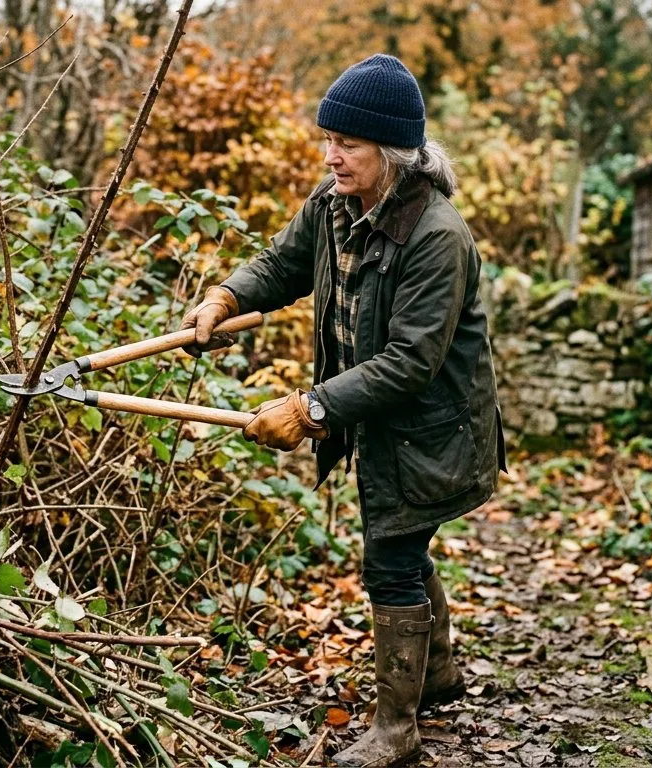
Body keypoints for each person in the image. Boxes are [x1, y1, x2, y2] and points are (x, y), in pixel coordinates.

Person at [178, 53, 507, 768]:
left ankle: (397, 730)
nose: (331, 156)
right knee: (405, 539)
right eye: (327, 139)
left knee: (390, 555)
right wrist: (226, 297)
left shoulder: (437, 236)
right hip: (382, 416)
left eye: (348, 145)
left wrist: (309, 409)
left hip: (430, 425)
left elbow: (410, 362)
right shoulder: (333, 206)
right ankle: (440, 675)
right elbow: (281, 264)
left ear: (391, 153)